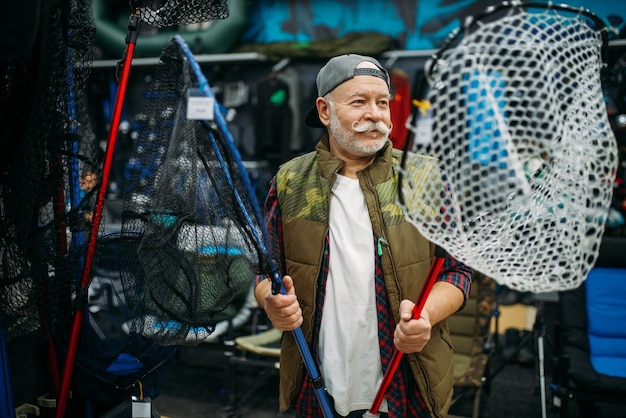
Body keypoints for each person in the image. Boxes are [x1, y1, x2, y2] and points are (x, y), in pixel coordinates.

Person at [254, 54, 473, 418]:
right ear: (324, 111)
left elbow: (457, 272)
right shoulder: (289, 182)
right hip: (316, 378)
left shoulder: (425, 180)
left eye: (383, 103)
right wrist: (271, 301)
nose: (376, 115)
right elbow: (265, 270)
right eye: (359, 102)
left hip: (407, 378)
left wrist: (426, 317)